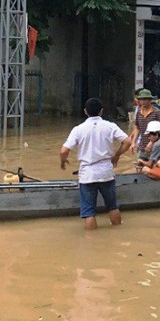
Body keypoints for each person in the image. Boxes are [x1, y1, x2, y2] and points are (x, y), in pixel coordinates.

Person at [60, 98, 131, 229]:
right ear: (101, 111)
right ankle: (118, 233)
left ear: (85, 111)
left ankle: (91, 243)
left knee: (89, 213)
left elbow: (64, 150)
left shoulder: (78, 129)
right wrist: (116, 156)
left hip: (87, 175)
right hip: (106, 172)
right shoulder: (110, 126)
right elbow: (128, 142)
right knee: (112, 207)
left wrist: (63, 161)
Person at [130, 89, 160, 161]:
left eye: (145, 99)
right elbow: (137, 127)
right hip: (142, 146)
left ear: (150, 100)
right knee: (139, 167)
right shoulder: (139, 113)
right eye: (141, 99)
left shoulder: (157, 113)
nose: (143, 101)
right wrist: (133, 142)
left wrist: (151, 142)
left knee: (155, 168)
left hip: (156, 147)